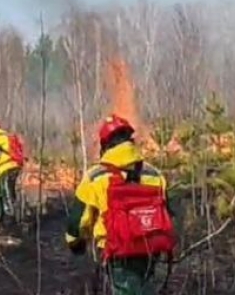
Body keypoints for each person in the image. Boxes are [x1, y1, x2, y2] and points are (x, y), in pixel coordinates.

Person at [64, 114, 178, 295]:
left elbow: (78, 222)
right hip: (151, 249)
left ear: (105, 145)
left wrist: (75, 243)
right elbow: (167, 212)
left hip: (118, 253)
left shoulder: (96, 177)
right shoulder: (155, 174)